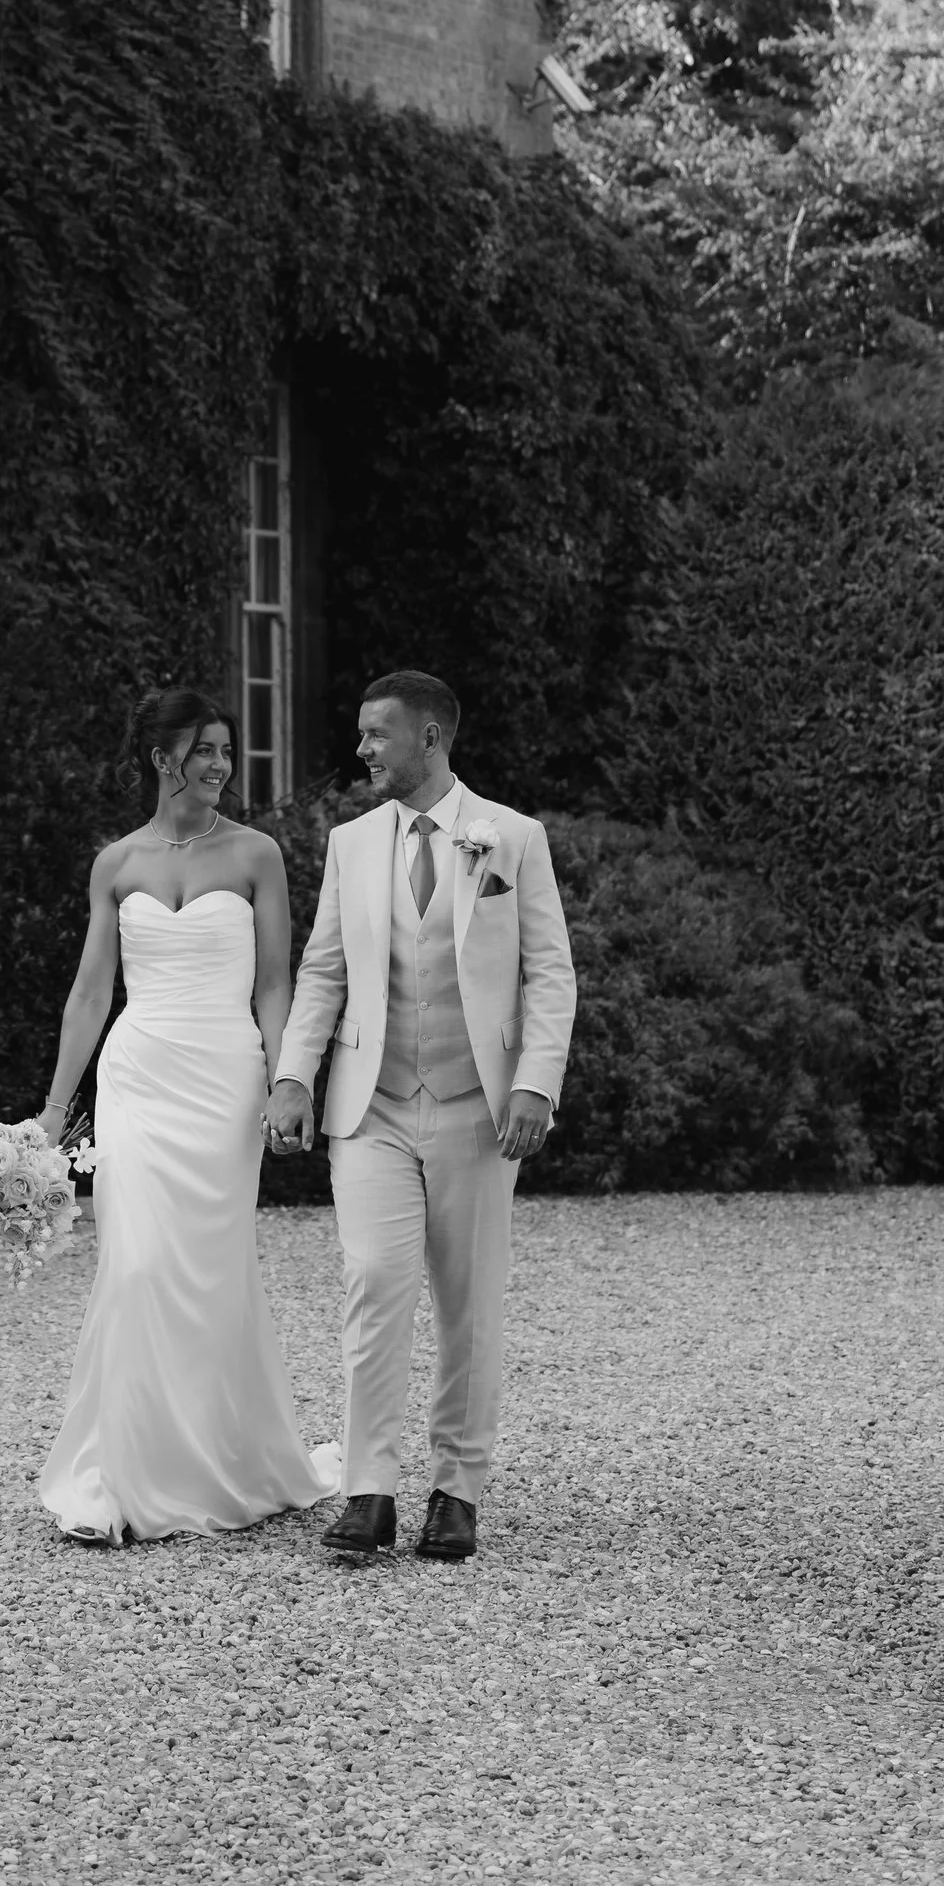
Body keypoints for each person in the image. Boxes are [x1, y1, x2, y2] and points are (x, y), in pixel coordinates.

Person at [266, 669, 576, 1566]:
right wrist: (294, 1076)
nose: (363, 750)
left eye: (377, 735)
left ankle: (457, 1491)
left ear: (431, 737)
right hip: (371, 1105)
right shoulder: (352, 844)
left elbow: (549, 972)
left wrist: (536, 1084)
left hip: (478, 1107)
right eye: (363, 734)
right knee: (373, 1285)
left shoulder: (512, 839)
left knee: (468, 1303)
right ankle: (368, 1491)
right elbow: (325, 970)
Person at [34, 686, 340, 1543]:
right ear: (162, 758)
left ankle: (213, 1457)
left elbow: (275, 981)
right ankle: (118, 1478)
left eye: (225, 750)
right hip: (137, 1079)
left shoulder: (256, 856)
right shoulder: (116, 864)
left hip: (222, 1082)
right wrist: (56, 1110)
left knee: (207, 1274)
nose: (219, 765)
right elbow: (93, 991)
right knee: (133, 1266)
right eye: (203, 749)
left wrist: (292, 1080)